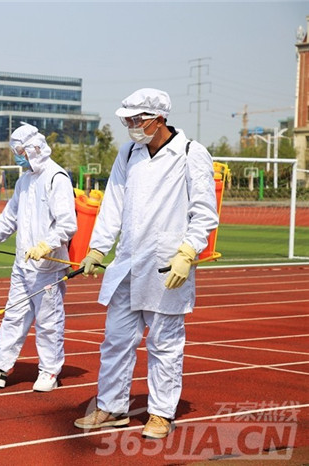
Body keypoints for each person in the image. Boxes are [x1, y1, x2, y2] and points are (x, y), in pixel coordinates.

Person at [73, 88, 219, 438]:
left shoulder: (190, 153)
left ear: (159, 118)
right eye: (129, 119)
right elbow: (113, 204)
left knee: (165, 343)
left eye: (138, 119)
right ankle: (111, 407)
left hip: (168, 266)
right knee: (116, 340)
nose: (132, 125)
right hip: (127, 263)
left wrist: (187, 253)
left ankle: (161, 413)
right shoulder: (128, 152)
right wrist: (97, 248)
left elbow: (204, 213)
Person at [0, 123, 77, 392]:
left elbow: (67, 224)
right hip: (22, 264)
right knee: (13, 315)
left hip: (47, 266)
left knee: (49, 321)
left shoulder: (55, 178)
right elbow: (10, 217)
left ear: (33, 149)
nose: (16, 156)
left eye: (19, 151)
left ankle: (50, 371)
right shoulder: (24, 180)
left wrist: (45, 246)